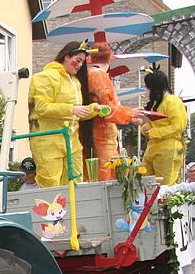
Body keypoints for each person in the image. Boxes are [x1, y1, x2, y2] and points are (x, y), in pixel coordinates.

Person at [28, 41, 95, 188]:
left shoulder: (75, 82)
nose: (79, 65)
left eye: (82, 62)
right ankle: (52, 210)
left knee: (76, 181)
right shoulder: (46, 77)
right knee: (51, 184)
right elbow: (42, 107)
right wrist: (72, 109)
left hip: (71, 141)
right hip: (47, 140)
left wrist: (93, 109)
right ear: (66, 56)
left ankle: (74, 211)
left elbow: (76, 112)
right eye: (78, 60)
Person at [79, 41, 144, 181]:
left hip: (91, 131)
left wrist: (130, 119)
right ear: (110, 59)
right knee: (106, 172)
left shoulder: (87, 74)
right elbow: (106, 109)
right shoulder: (100, 76)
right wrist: (131, 113)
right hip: (102, 136)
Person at [139, 69, 188, 185]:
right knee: (145, 183)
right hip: (152, 147)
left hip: (169, 147)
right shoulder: (156, 103)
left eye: (148, 87)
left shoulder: (172, 101)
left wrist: (152, 132)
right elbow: (151, 122)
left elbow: (179, 125)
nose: (147, 90)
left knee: (165, 185)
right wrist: (144, 128)